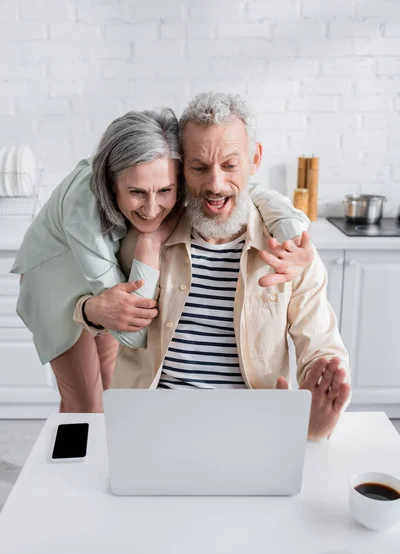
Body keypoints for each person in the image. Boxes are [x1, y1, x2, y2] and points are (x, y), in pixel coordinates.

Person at [76, 92, 351, 441]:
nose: (215, 185)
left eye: (230, 165)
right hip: (151, 426)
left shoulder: (289, 252)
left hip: (252, 428)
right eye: (199, 167)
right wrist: (92, 308)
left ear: (255, 159)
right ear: (180, 168)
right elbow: (83, 302)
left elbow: (322, 346)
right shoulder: (142, 230)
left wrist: (320, 392)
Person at [11, 107, 313, 413]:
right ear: (111, 182)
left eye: (165, 191)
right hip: (55, 277)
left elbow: (239, 188)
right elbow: (133, 334)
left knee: (111, 388)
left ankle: (106, 456)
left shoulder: (163, 166)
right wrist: (150, 241)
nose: (153, 209)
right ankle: (74, 460)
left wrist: (292, 230)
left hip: (104, 273)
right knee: (86, 402)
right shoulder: (83, 213)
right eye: (137, 192)